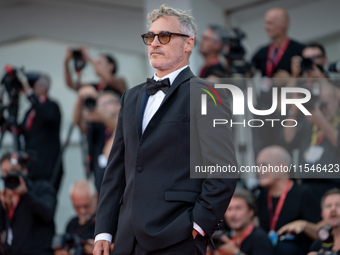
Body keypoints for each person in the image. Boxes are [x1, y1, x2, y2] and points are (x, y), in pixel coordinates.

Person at [93, 5, 237, 255]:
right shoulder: (130, 97)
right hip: (126, 238)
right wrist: (103, 231)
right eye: (150, 37)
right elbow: (116, 171)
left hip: (177, 235)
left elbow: (223, 169)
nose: (155, 43)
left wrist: (199, 224)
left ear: (188, 44)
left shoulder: (207, 93)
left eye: (165, 36)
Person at [256, 146, 321, 255]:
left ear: (283, 166)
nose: (259, 171)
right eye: (257, 166)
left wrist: (304, 225)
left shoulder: (304, 193)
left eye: (264, 165)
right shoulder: (262, 195)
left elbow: (323, 232)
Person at [284, 82, 340, 202]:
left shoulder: (332, 120)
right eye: (317, 104)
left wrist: (322, 121)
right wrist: (293, 110)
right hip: (305, 184)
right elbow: (288, 139)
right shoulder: (309, 121)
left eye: (324, 104)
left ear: (337, 100)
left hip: (331, 186)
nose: (320, 109)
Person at [0, 152, 56, 255]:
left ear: (24, 171)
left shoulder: (41, 188)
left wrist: (25, 194)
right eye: (5, 172)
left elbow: (47, 213)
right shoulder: (3, 197)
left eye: (13, 171)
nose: (9, 176)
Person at [19, 73, 63, 192]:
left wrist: (30, 95)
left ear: (43, 87)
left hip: (48, 167)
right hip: (31, 166)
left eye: (34, 86)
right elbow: (21, 130)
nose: (30, 90)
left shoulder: (52, 106)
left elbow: (47, 116)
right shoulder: (31, 111)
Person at [73, 86, 121, 191]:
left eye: (106, 103)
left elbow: (117, 128)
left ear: (118, 105)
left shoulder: (126, 122)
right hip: (100, 179)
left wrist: (101, 114)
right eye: (98, 104)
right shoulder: (97, 126)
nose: (100, 107)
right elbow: (77, 121)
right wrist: (80, 98)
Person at [209, 188, 273, 255]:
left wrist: (235, 252)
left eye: (238, 208)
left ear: (251, 211)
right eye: (229, 209)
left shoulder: (260, 238)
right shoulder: (229, 239)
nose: (233, 214)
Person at [54, 180, 103, 255]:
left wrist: (100, 248)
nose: (82, 211)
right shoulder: (71, 224)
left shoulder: (104, 223)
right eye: (77, 207)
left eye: (86, 206)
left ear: (96, 197)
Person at [309, 189, 340, 255]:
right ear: (322, 214)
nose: (333, 209)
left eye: (338, 205)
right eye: (328, 206)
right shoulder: (317, 245)